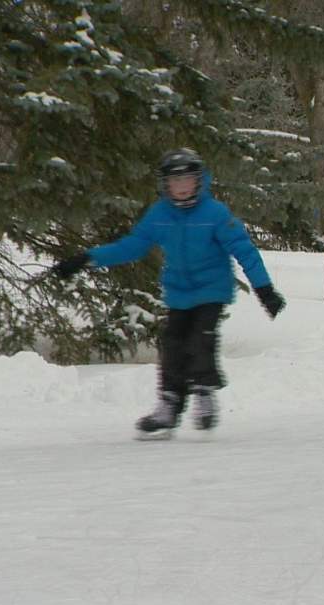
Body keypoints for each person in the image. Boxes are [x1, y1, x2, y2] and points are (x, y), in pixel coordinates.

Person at [52, 148, 286, 437]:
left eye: (187, 181)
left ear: (199, 182)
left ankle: (203, 392)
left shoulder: (215, 214)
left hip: (212, 289)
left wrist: (265, 290)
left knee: (200, 337)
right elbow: (131, 246)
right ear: (165, 185)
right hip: (179, 292)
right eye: (175, 183)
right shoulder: (159, 215)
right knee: (173, 343)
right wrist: (86, 258)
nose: (182, 188)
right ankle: (169, 404)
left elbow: (245, 251)